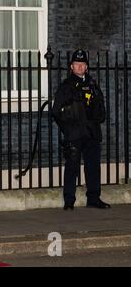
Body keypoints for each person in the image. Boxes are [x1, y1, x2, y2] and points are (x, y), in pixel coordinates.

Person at [52, 49, 111, 210]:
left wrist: (97, 117)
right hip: (75, 134)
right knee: (72, 168)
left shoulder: (93, 85)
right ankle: (69, 201)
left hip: (92, 132)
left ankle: (93, 198)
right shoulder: (66, 87)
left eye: (82, 64)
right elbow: (56, 112)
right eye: (76, 64)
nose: (79, 67)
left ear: (86, 67)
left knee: (93, 167)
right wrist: (68, 130)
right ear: (71, 66)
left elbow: (101, 108)